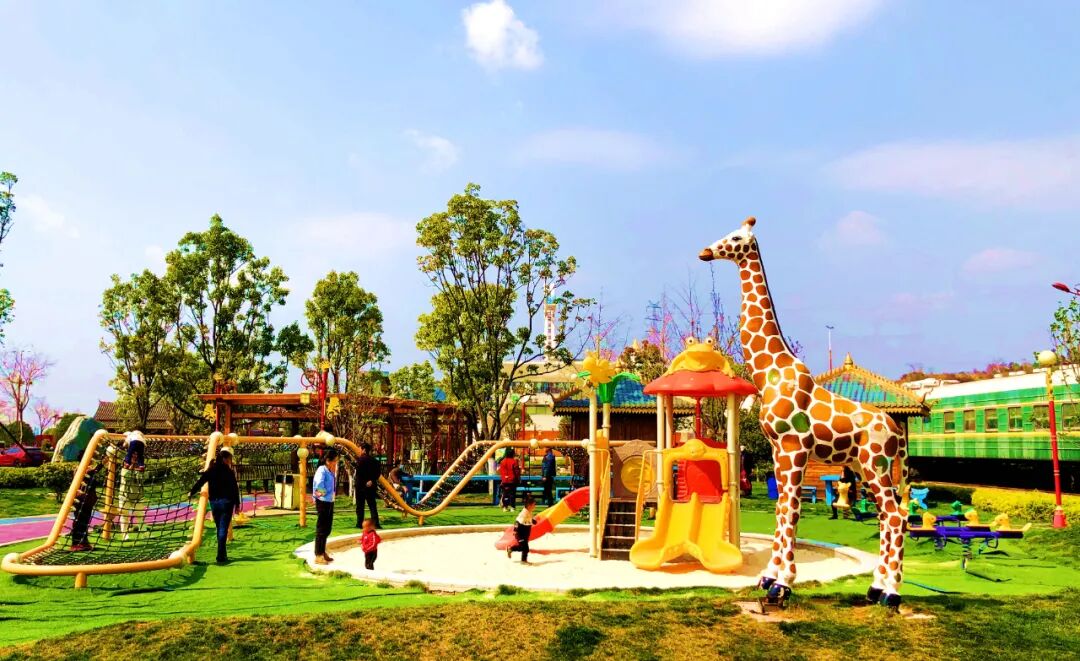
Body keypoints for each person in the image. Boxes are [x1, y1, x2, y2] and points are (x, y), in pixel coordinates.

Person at [188, 448, 242, 564]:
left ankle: (222, 554)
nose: (230, 461)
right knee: (223, 528)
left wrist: (191, 492)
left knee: (219, 528)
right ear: (225, 459)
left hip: (214, 502)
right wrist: (237, 504)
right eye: (229, 459)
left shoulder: (211, 470)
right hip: (227, 502)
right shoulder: (228, 471)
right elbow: (234, 489)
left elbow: (201, 481)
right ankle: (221, 555)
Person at [311, 449, 339, 565]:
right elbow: (318, 488)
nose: (336, 463)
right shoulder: (322, 470)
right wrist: (323, 496)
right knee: (322, 529)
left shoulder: (329, 470)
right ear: (328, 460)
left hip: (329, 501)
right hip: (323, 502)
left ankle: (322, 551)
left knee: (327, 528)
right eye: (335, 461)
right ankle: (318, 554)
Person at [117, 431, 147, 540]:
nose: (134, 457)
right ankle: (125, 535)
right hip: (125, 495)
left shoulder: (140, 466)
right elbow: (127, 476)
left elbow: (143, 478)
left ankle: (145, 534)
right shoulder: (125, 466)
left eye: (136, 455)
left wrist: (139, 468)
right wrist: (131, 466)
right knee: (124, 515)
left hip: (137, 496)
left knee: (140, 515)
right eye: (133, 455)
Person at [69, 460, 103, 552]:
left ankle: (84, 542)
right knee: (79, 521)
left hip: (88, 500)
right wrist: (102, 463)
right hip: (81, 499)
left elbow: (94, 471)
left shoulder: (88, 470)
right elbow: (93, 471)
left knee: (85, 522)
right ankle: (76, 543)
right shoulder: (80, 470)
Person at [354, 443, 381, 528]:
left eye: (360, 448)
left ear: (364, 450)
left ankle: (359, 523)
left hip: (361, 486)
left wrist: (364, 481)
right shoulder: (375, 461)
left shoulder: (360, 460)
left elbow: (359, 473)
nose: (359, 450)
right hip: (371, 485)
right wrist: (371, 480)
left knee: (360, 506)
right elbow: (378, 473)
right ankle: (376, 523)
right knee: (372, 505)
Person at [506, 495, 537, 563]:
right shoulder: (523, 513)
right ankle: (511, 548)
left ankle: (523, 560)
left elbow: (529, 519)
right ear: (529, 505)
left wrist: (533, 521)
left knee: (525, 548)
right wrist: (515, 530)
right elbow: (517, 522)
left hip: (526, 533)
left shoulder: (529, 512)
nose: (535, 506)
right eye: (534, 505)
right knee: (523, 547)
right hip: (520, 533)